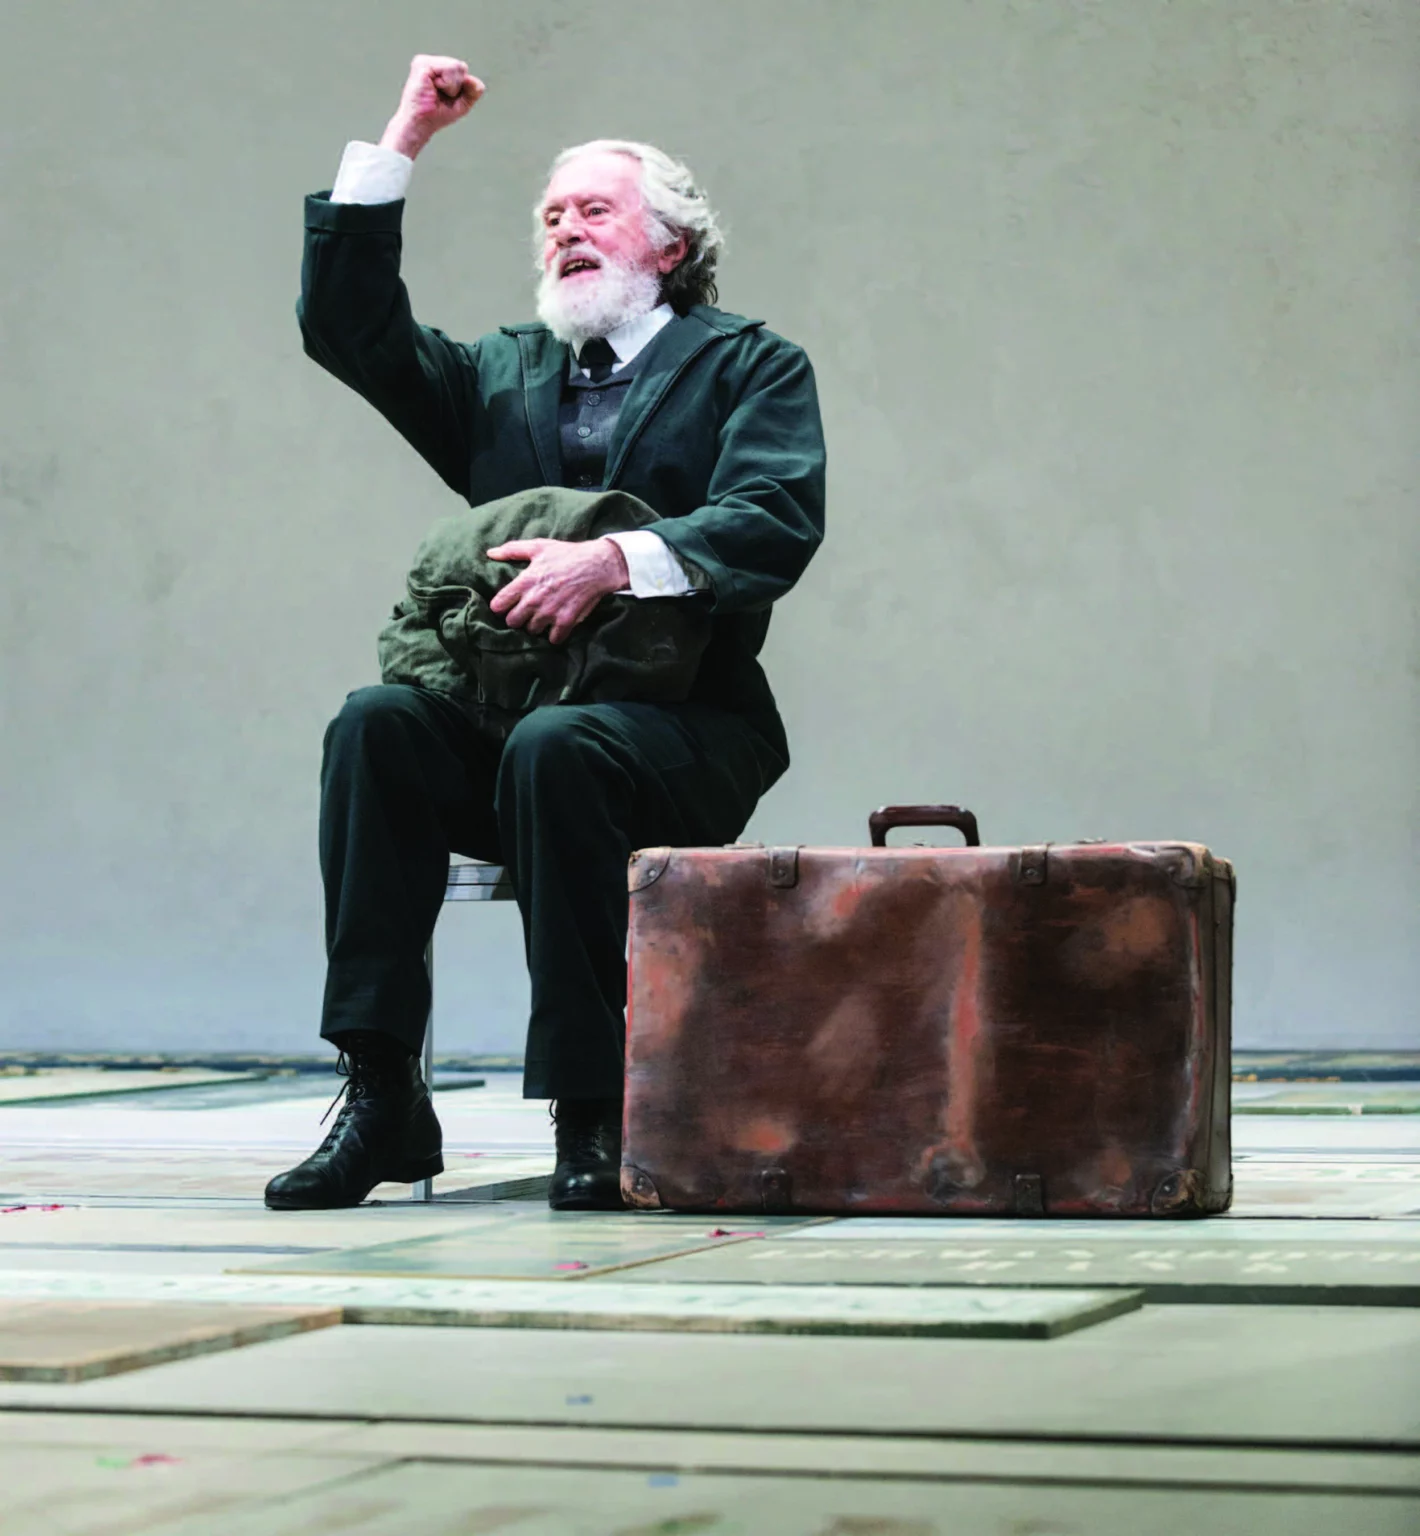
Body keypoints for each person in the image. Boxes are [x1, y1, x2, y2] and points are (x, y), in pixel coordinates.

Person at [265, 55, 827, 1212]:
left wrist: (612, 558)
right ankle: (380, 1097)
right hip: (511, 730)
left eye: (596, 211)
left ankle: (593, 1108)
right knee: (375, 725)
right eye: (551, 215)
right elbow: (348, 329)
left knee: (559, 747)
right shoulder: (497, 375)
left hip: (678, 733)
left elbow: (774, 518)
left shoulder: (749, 364)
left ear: (668, 244)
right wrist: (403, 139)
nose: (566, 228)